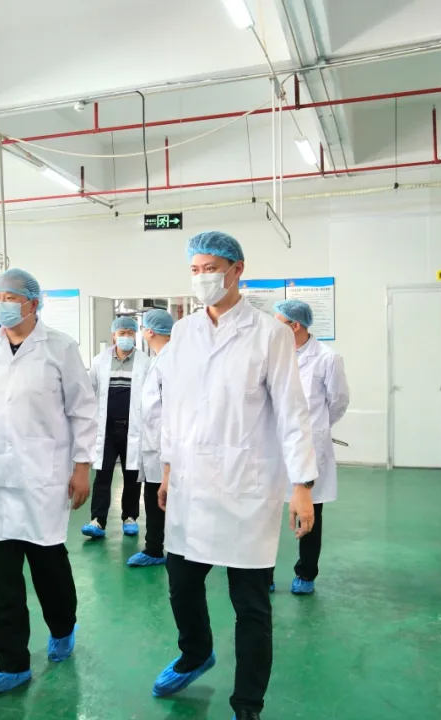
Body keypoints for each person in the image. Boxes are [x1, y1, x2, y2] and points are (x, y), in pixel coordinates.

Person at [153, 231, 318, 720]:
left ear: (237, 270)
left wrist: (302, 486)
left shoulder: (270, 335)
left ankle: (247, 704)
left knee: (250, 605)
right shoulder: (184, 333)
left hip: (246, 486)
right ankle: (195, 653)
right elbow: (173, 408)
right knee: (182, 584)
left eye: (210, 268)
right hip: (190, 484)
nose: (202, 278)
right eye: (195, 270)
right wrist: (167, 469)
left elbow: (293, 413)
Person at [0, 268, 98, 696]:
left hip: (44, 476)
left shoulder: (60, 347)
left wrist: (82, 467)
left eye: (11, 298)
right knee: (0, 578)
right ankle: (11, 663)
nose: (2, 305)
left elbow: (83, 411)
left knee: (48, 569)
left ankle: (63, 626)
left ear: (33, 303)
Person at [272, 299, 349, 595]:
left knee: (309, 509)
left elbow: (338, 400)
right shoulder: (274, 355)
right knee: (267, 511)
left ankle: (306, 573)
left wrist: (316, 429)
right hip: (273, 442)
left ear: (295, 326)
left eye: (278, 322)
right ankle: (262, 572)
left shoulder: (327, 358)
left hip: (308, 445)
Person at [82, 316, 149, 539]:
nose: (126, 337)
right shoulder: (99, 361)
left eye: (130, 333)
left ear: (135, 335)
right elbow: (89, 392)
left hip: (133, 428)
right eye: (122, 333)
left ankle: (130, 517)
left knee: (132, 474)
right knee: (103, 475)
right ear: (114, 335)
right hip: (107, 429)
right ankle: (97, 520)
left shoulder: (145, 362)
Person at [127, 308, 175, 567]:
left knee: (161, 497)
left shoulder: (170, 360)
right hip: (154, 443)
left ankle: (158, 549)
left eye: (143, 327)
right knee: (153, 495)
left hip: (164, 443)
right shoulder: (160, 357)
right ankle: (155, 548)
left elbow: (171, 407)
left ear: (150, 331)